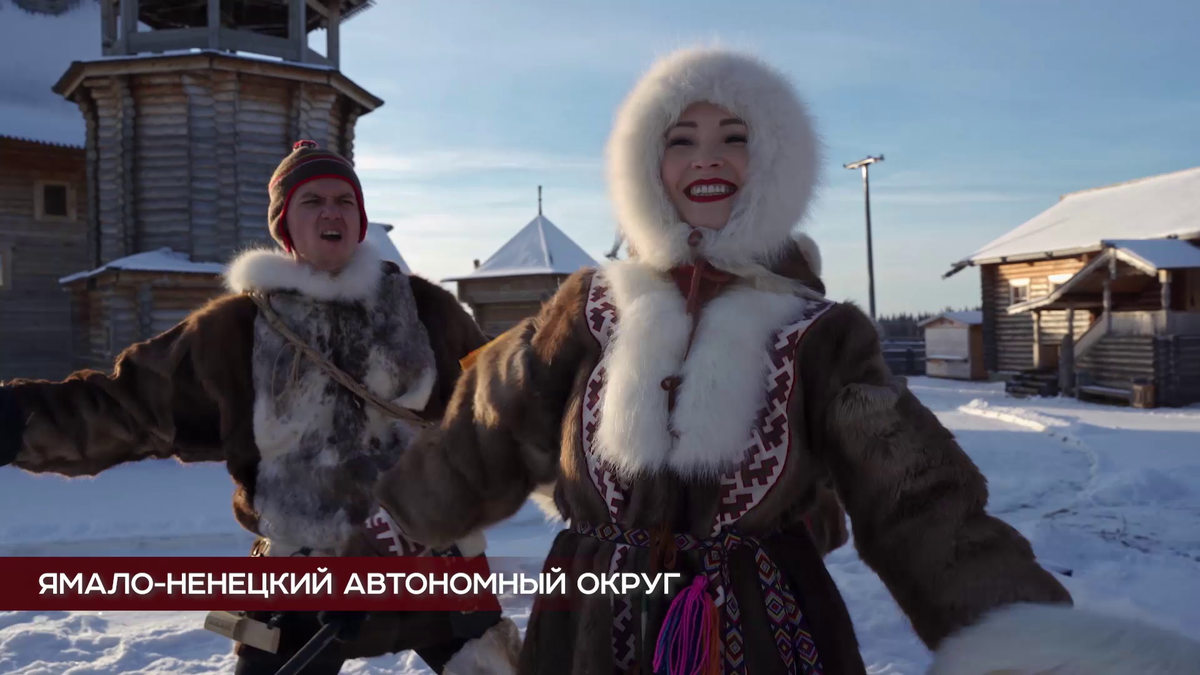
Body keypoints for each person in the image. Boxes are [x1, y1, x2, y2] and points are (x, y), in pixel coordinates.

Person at [369, 47, 1078, 675]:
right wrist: (375, 544)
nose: (707, 156)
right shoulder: (588, 308)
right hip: (586, 626)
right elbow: (483, 431)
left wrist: (1026, 637)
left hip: (763, 625)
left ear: (771, 162)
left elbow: (919, 501)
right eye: (681, 140)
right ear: (649, 168)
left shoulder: (819, 333)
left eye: (733, 138)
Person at [0, 140, 520, 675]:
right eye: (312, 201)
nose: (331, 211)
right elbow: (126, 405)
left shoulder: (428, 309)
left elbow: (500, 398)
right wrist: (14, 420)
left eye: (344, 200)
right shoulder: (233, 331)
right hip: (302, 576)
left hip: (430, 562)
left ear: (360, 220)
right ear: (284, 224)